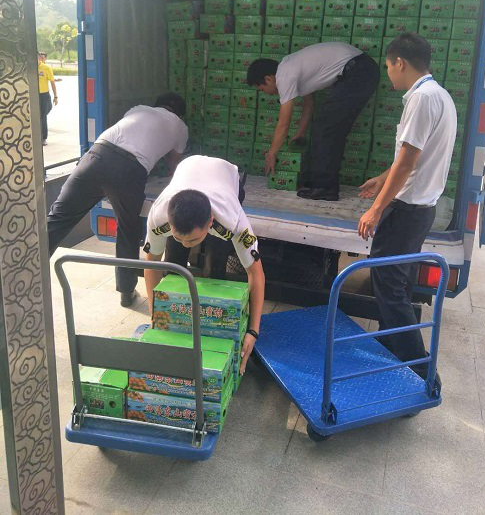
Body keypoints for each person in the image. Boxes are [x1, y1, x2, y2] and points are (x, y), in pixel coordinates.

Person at [358, 33, 457, 379]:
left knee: (389, 287)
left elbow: (408, 160)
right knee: (396, 286)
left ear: (399, 62)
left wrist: (376, 209)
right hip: (420, 210)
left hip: (406, 211)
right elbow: (411, 157)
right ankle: (390, 350)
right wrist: (381, 179)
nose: (388, 74)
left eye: (388, 66)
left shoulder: (422, 99)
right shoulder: (439, 95)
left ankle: (420, 369)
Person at [47, 92, 188, 307]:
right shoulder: (180, 127)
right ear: (180, 114)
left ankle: (23, 272)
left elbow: (131, 137)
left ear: (157, 104)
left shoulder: (138, 108)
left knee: (57, 219)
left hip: (95, 156)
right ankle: (126, 292)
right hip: (128, 170)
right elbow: (174, 164)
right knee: (127, 229)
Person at [143, 155, 265, 374]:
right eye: (179, 237)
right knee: (173, 266)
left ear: (210, 222)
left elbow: (255, 274)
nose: (187, 245)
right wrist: (155, 314)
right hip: (187, 168)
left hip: (225, 177)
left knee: (216, 264)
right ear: (170, 222)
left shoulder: (233, 222)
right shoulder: (158, 216)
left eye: (193, 240)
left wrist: (253, 331)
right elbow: (152, 264)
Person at [247, 42, 380, 201]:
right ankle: (317, 181)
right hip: (360, 69)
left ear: (268, 79)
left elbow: (283, 123)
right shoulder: (291, 67)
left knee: (326, 128)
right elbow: (309, 104)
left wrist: (271, 153)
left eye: (262, 89)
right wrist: (300, 133)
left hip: (358, 72)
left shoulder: (284, 76)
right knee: (327, 126)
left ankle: (325, 188)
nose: (266, 94)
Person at [38, 52, 58, 145]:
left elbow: (52, 82)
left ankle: (43, 137)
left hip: (44, 95)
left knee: (43, 116)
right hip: (34, 95)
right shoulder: (30, 68)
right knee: (38, 116)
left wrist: (55, 96)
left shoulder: (46, 68)